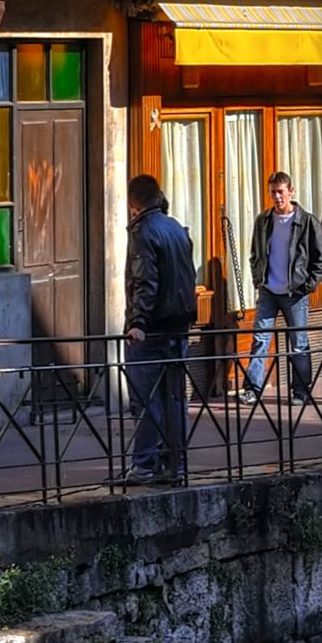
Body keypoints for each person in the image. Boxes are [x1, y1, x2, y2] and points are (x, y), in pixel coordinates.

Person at [122, 177, 196, 483]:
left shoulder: (143, 232)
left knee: (146, 396)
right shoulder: (176, 227)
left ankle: (144, 464)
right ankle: (175, 462)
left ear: (133, 204)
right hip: (179, 325)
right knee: (174, 397)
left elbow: (145, 281)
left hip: (153, 329)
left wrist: (138, 322)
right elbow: (188, 275)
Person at [241, 171, 322, 403]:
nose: (277, 197)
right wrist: (259, 279)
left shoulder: (307, 221)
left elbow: (320, 259)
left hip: (294, 293)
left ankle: (300, 391)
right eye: (273, 193)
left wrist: (307, 285)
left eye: (281, 192)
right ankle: (253, 389)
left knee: (299, 343)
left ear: (291, 191)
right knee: (260, 339)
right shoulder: (263, 220)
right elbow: (255, 253)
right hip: (268, 290)